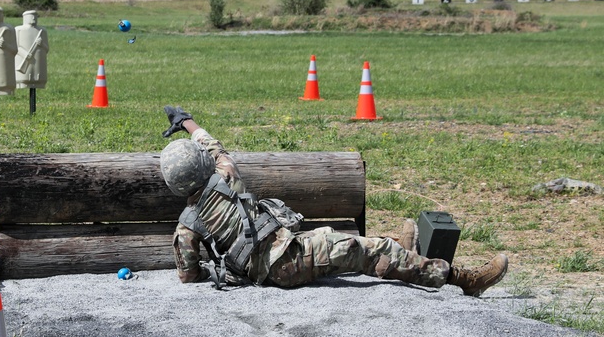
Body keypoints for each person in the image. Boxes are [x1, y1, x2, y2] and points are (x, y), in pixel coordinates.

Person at [159, 106, 508, 295]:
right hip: (288, 262)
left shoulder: (186, 226)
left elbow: (188, 275)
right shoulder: (226, 177)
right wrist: (188, 121)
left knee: (366, 247)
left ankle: (403, 254)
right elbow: (214, 145)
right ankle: (462, 279)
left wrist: (208, 269)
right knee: (369, 250)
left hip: (274, 263)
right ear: (204, 164)